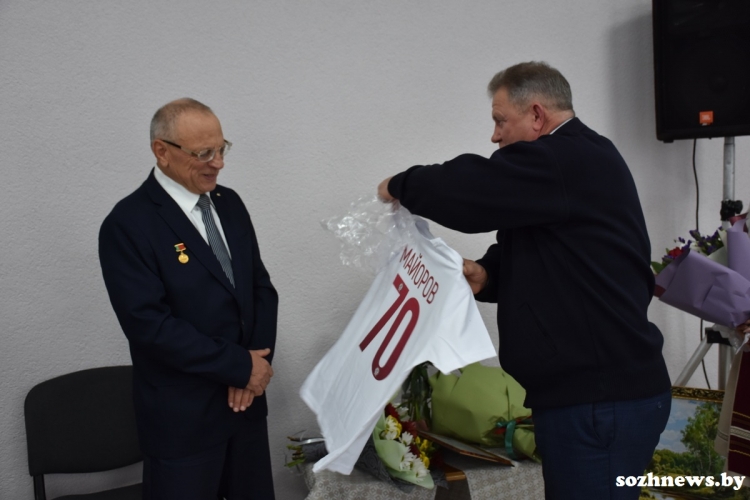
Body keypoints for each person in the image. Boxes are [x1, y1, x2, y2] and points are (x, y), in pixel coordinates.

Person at [377, 62, 672, 499]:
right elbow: (545, 250)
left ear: (537, 115)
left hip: (598, 398)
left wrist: (401, 184)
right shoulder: (572, 164)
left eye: (500, 120)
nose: (495, 135)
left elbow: (472, 190)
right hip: (593, 395)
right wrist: (488, 274)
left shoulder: (567, 156)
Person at [99, 98, 278, 499]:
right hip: (184, 422)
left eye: (221, 149)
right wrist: (238, 367)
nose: (218, 163)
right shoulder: (128, 224)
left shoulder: (229, 204)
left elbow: (260, 289)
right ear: (162, 151)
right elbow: (150, 327)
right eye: (203, 153)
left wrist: (256, 367)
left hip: (246, 408)